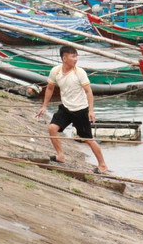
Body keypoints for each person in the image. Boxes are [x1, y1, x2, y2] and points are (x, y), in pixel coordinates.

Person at [36, 45, 108, 174]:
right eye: (73, 56)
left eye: (76, 56)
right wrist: (44, 106)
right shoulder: (55, 71)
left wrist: (91, 111)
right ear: (64, 58)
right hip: (65, 108)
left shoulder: (79, 72)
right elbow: (50, 88)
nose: (76, 59)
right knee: (52, 128)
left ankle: (102, 165)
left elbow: (88, 92)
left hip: (80, 109)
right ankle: (60, 156)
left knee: (87, 139)